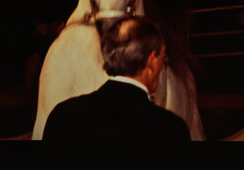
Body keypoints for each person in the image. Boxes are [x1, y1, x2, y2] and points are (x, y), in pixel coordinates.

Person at [42, 17, 191, 141]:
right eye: (163, 58)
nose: (163, 65)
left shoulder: (62, 115)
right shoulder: (170, 128)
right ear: (151, 61)